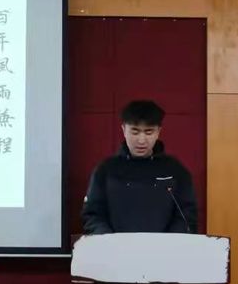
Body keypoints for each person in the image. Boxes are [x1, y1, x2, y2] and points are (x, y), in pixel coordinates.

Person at [81, 100, 198, 235]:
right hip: (115, 246)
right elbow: (93, 215)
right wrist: (109, 240)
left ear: (158, 132)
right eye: (135, 132)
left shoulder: (175, 170)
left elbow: (186, 216)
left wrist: (168, 242)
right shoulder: (105, 170)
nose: (141, 140)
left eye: (148, 132)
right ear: (124, 130)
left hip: (164, 247)